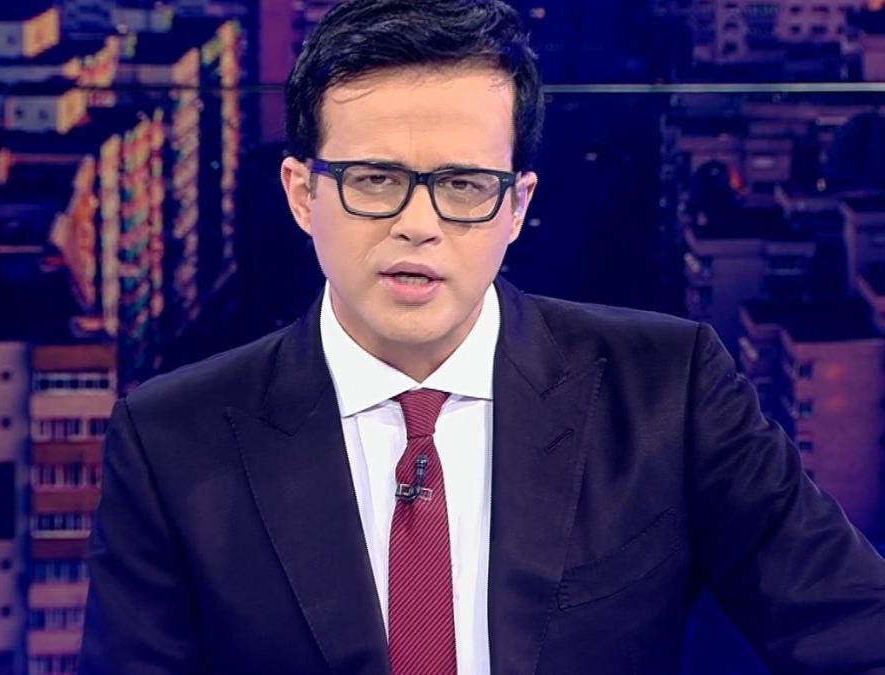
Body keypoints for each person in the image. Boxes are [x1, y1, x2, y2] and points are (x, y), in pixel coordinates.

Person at [79, 1, 885, 673]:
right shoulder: (171, 440)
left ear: (518, 205)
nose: (418, 224)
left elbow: (856, 631)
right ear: (301, 193)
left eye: (463, 185)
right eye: (375, 180)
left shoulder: (670, 391)